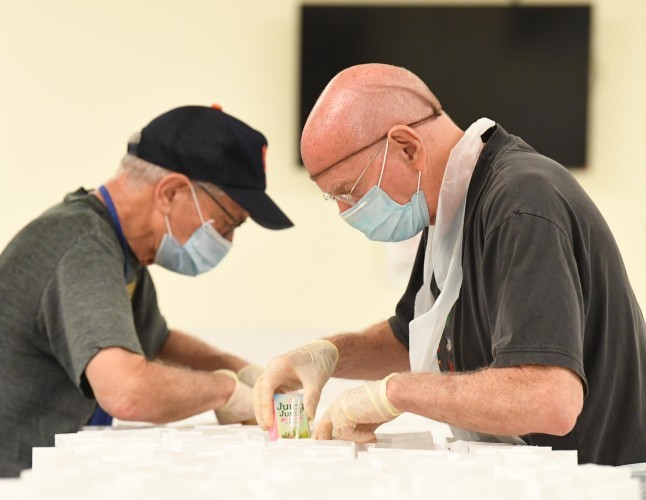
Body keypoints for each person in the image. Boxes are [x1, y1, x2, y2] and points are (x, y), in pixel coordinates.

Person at [253, 63, 646, 466]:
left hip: (596, 481)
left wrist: (394, 394)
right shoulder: (448, 211)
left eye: (348, 192)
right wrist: (328, 354)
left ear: (407, 147)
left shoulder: (521, 203)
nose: (343, 212)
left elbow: (549, 400)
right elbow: (412, 339)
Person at [0, 105, 293, 477]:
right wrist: (226, 392)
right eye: (225, 224)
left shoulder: (122, 254)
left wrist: (243, 371)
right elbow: (126, 389)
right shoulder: (81, 246)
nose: (226, 241)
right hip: (6, 486)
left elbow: (155, 345)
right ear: (172, 192)